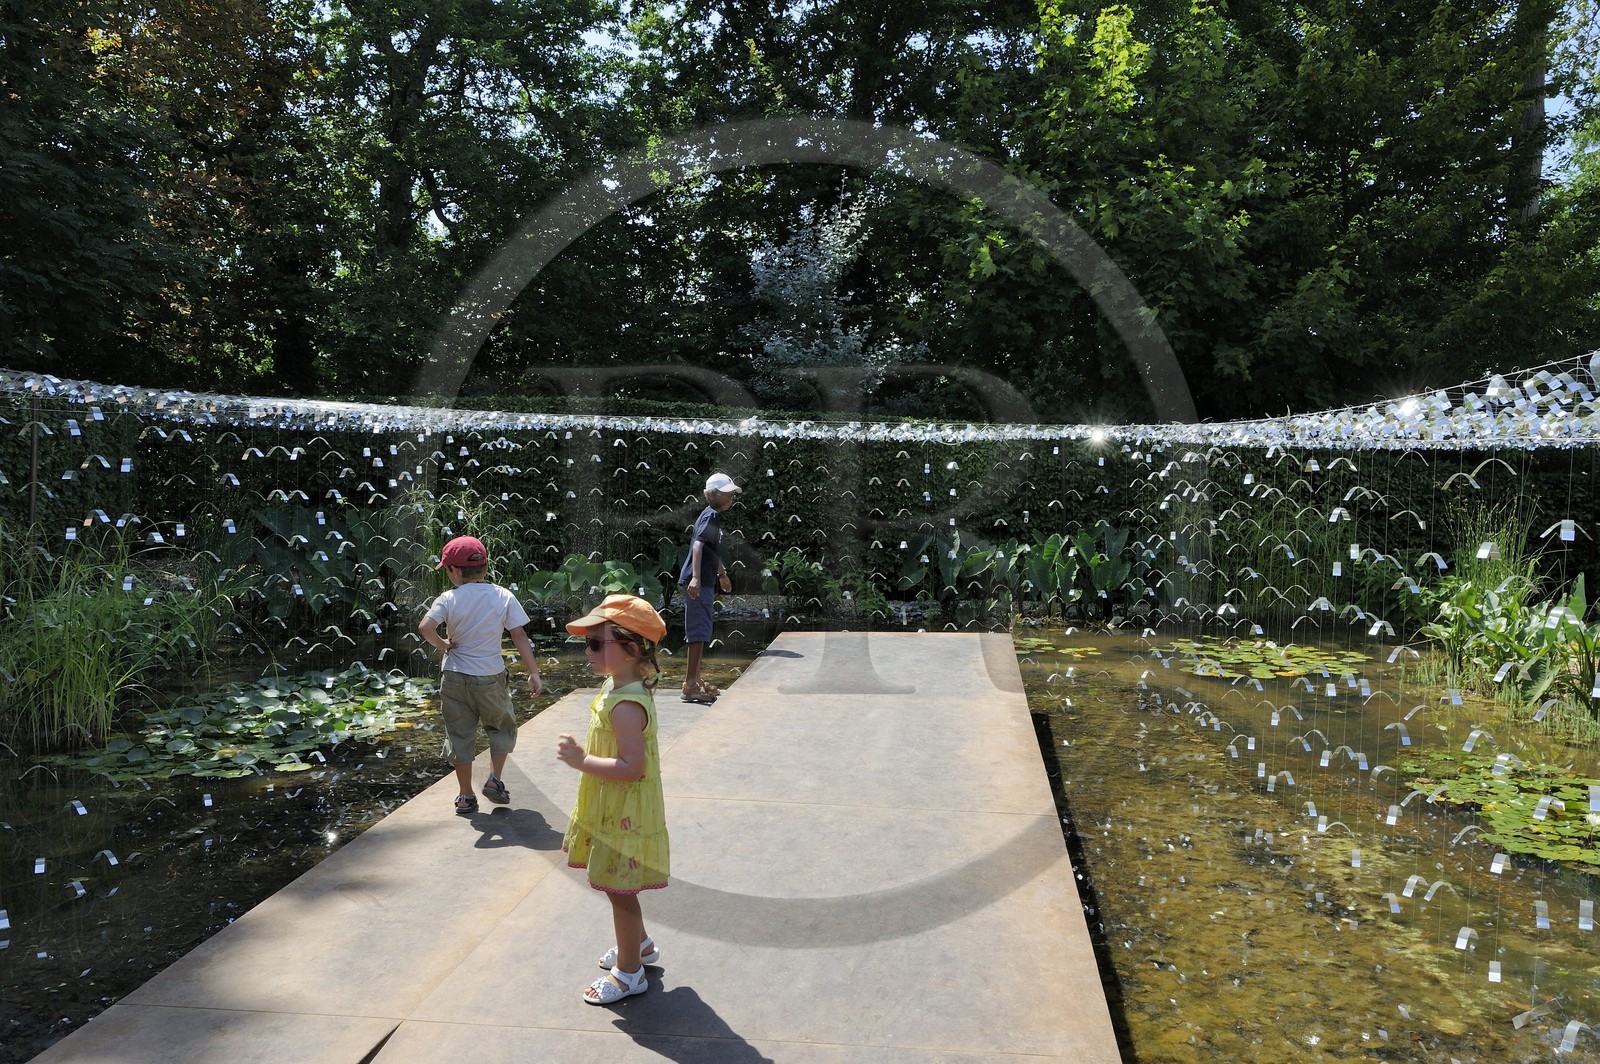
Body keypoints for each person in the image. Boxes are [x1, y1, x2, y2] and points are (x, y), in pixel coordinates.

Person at [557, 593, 671, 1005]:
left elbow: (631, 767)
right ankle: (639, 946)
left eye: (594, 643)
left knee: (620, 891)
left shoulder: (626, 704)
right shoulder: (619, 685)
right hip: (614, 807)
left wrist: (581, 760)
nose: (586, 651)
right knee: (616, 886)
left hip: (624, 812)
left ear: (630, 649)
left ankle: (629, 974)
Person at [418, 534, 542, 815]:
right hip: (490, 677)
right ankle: (494, 780)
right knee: (502, 727)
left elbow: (425, 627)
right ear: (484, 568)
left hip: (454, 677)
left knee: (460, 734)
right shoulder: (503, 595)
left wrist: (444, 645)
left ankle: (464, 796)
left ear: (453, 571)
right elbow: (519, 634)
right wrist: (533, 672)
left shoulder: (448, 598)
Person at [677, 471, 739, 703]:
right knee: (698, 632)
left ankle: (695, 679)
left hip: (704, 580)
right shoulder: (711, 515)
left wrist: (722, 574)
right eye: (727, 494)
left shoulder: (711, 515)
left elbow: (710, 551)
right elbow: (697, 547)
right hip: (698, 582)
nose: (731, 498)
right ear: (712, 494)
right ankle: (690, 684)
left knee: (702, 630)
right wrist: (695, 578)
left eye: (732, 494)